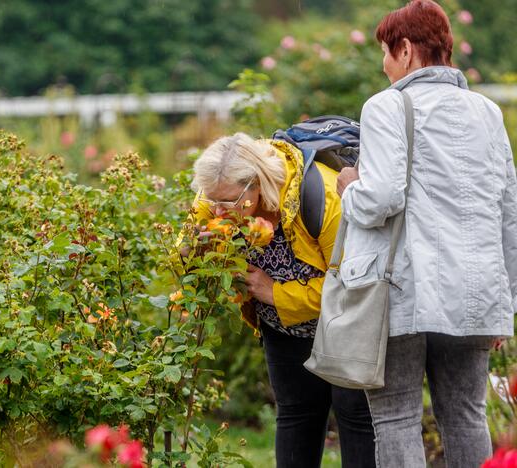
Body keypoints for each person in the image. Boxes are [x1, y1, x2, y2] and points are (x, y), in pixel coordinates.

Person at [336, 1, 517, 466]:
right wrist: (506, 304)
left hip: (402, 293)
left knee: (396, 418)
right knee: (466, 417)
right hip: (477, 293)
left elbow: (381, 200)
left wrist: (349, 187)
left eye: (385, 53)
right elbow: (508, 214)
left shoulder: (386, 106)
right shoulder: (489, 113)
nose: (384, 65)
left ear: (406, 49)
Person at [192, 133, 375, 467]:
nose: (217, 210)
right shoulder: (221, 189)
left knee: (355, 417)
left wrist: (273, 292)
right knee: (296, 413)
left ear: (257, 184)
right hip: (284, 330)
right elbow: (186, 254)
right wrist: (195, 250)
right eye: (211, 200)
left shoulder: (323, 195)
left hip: (345, 324)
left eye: (228, 203)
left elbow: (351, 284)